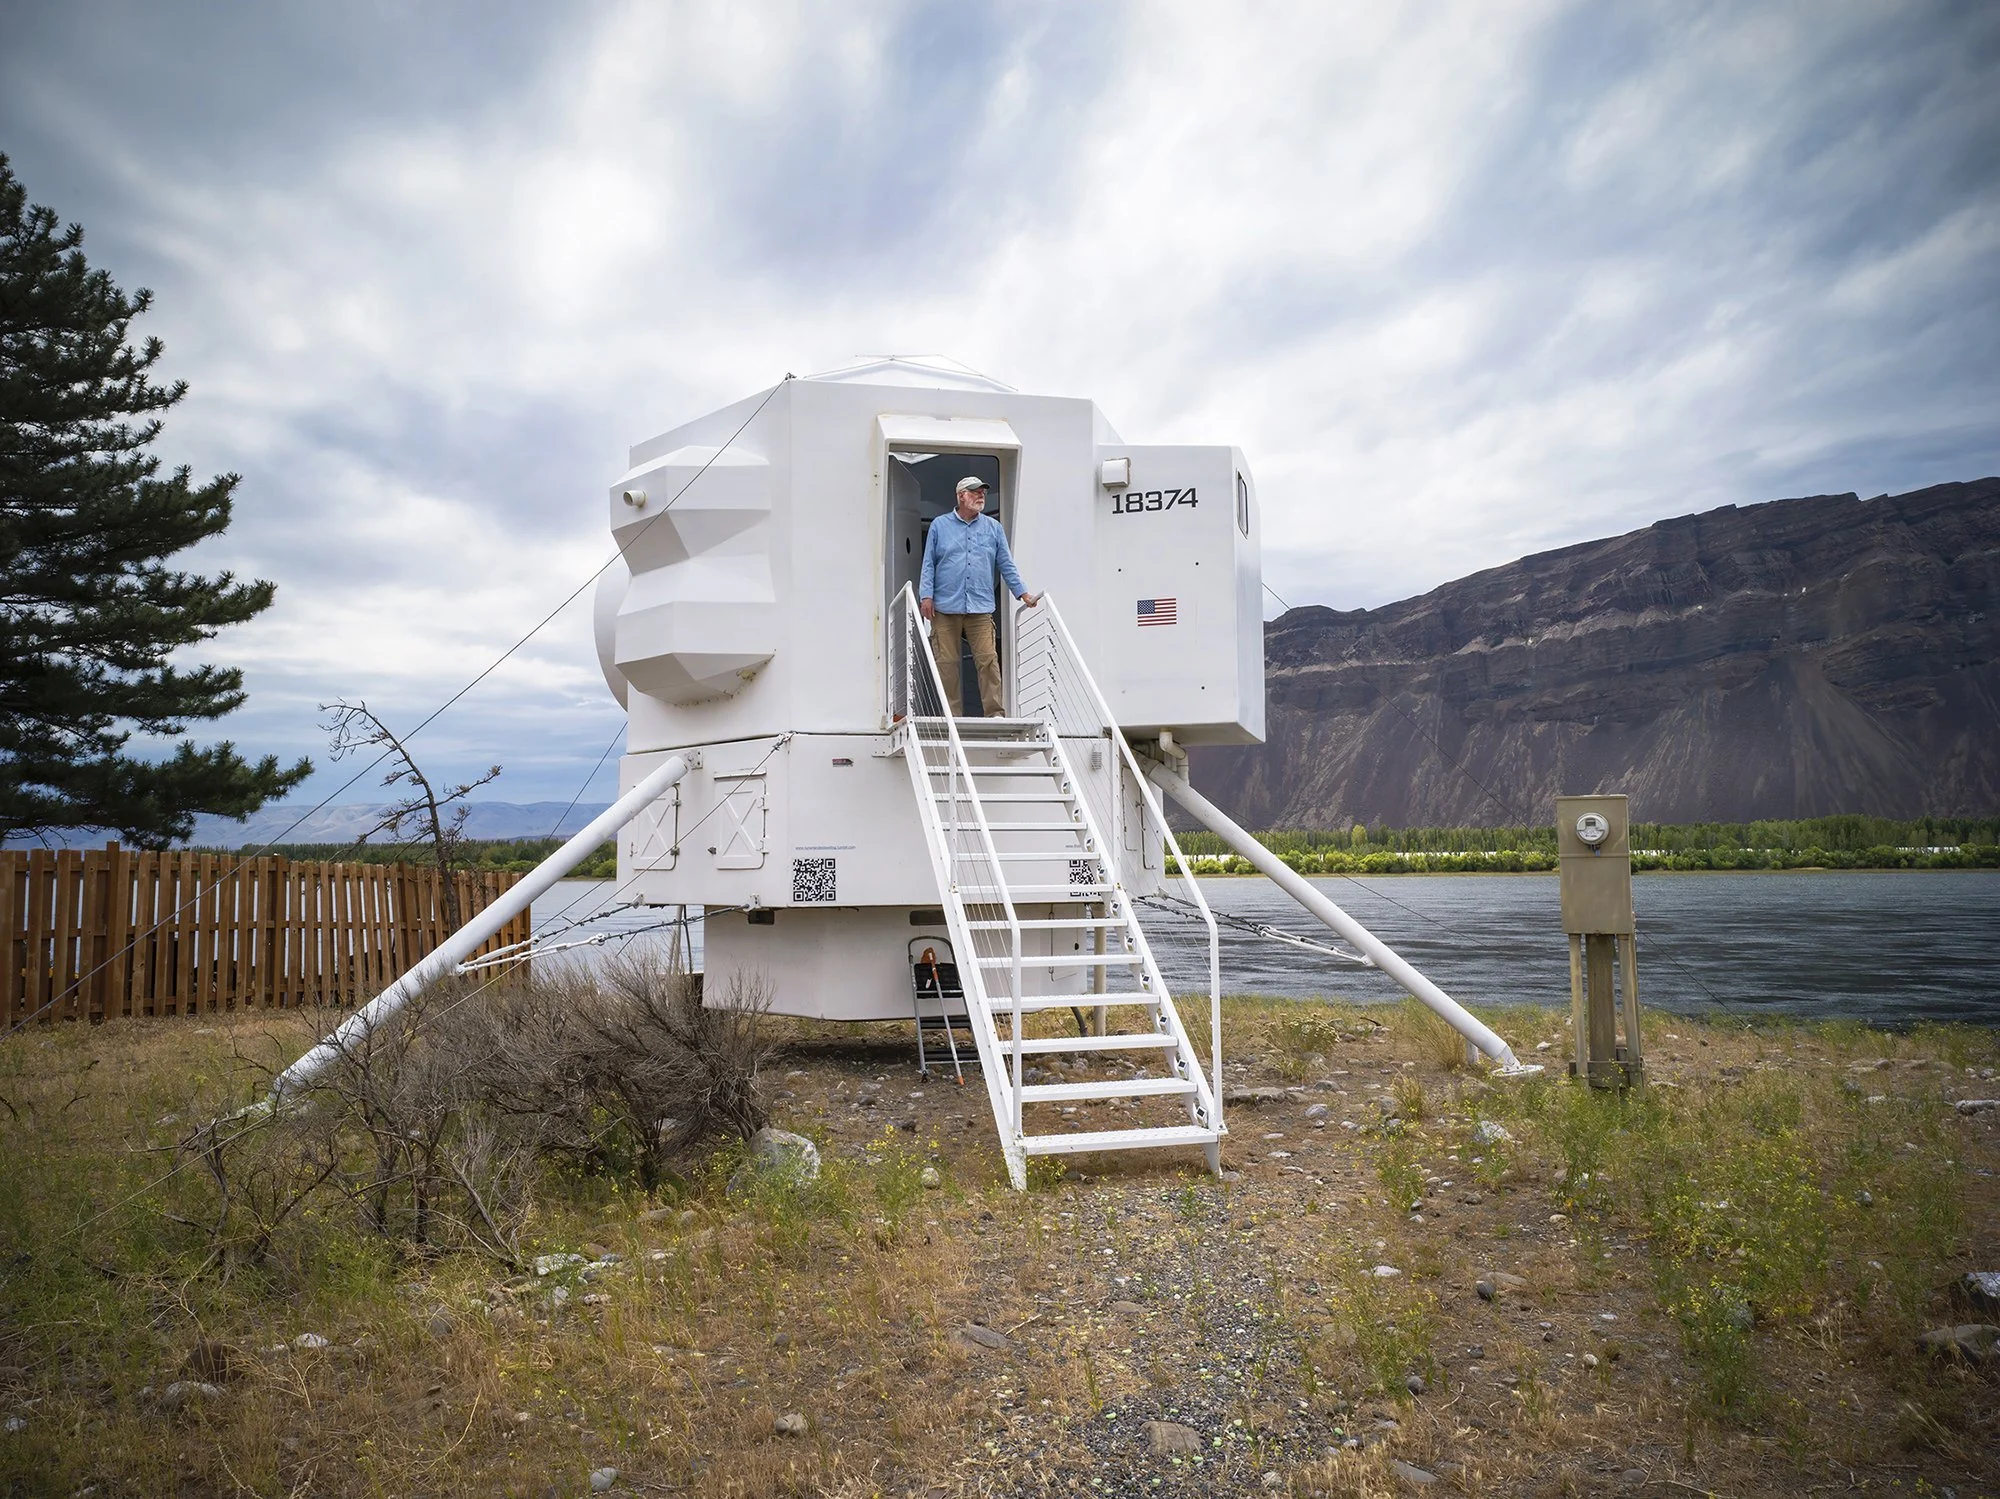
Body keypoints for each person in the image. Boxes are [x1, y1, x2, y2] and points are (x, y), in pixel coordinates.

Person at [919, 476, 1040, 716]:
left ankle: (995, 713)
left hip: (980, 608)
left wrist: (1023, 594)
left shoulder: (993, 528)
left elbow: (1006, 564)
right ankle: (951, 716)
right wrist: (926, 596)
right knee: (947, 664)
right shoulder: (939, 525)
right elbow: (929, 564)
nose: (981, 495)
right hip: (944, 607)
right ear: (961, 495)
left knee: (987, 660)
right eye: (974, 492)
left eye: (982, 491)